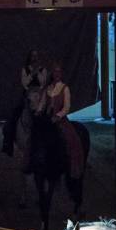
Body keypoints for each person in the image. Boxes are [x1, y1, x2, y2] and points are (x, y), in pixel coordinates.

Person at [46, 63, 85, 215]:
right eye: (54, 72)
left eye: (59, 72)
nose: (57, 74)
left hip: (60, 120)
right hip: (47, 119)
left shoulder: (64, 88)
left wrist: (58, 116)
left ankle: (72, 164)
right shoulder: (48, 88)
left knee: (71, 140)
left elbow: (67, 107)